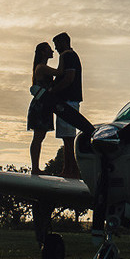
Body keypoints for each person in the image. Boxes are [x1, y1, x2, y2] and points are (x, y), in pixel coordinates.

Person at [51, 31, 83, 178]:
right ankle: (69, 168)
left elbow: (69, 78)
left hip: (68, 101)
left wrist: (52, 91)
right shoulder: (70, 56)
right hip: (70, 100)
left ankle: (70, 170)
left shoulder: (68, 56)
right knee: (67, 137)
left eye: (57, 45)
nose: (56, 49)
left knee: (68, 138)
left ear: (63, 42)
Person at [27, 41, 59, 174]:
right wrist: (65, 55)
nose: (52, 51)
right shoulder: (41, 68)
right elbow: (60, 72)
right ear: (43, 52)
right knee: (38, 137)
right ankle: (35, 168)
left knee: (39, 137)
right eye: (49, 49)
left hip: (44, 105)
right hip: (40, 105)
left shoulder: (42, 67)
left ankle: (35, 167)